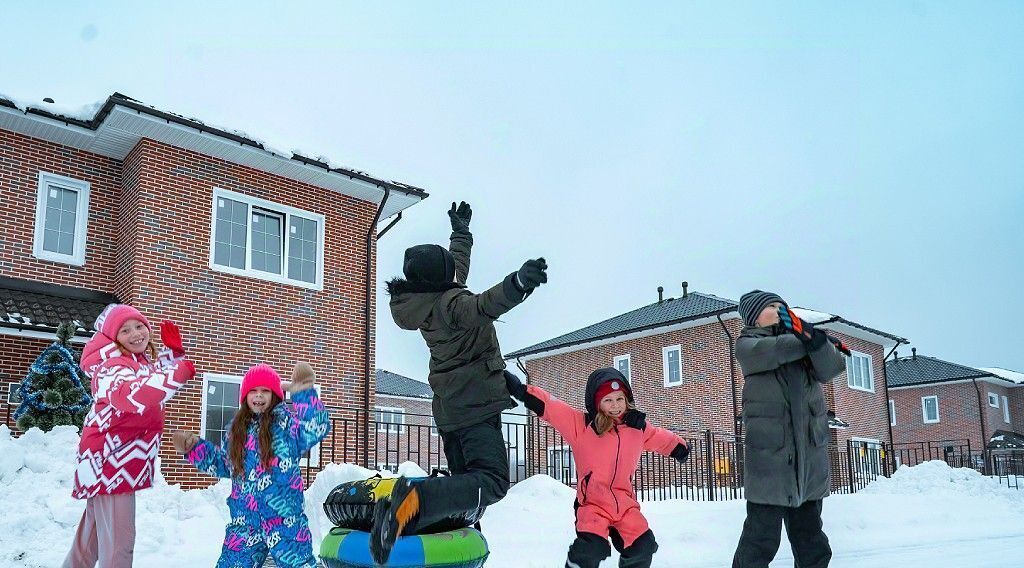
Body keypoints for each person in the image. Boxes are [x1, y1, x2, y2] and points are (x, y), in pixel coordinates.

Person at [371, 201, 548, 564]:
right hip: (474, 407)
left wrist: (461, 233)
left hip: (451, 409)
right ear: (442, 280)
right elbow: (484, 305)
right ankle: (415, 501)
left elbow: (456, 268)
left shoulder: (428, 302)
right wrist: (517, 284)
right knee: (493, 481)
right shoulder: (453, 305)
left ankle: (446, 548)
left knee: (467, 492)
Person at [506, 367, 690, 568]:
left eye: (619, 399)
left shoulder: (637, 428)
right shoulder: (583, 426)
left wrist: (680, 448)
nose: (615, 406)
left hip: (625, 505)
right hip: (592, 505)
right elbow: (552, 407)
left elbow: (660, 437)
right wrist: (521, 390)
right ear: (597, 402)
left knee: (643, 545)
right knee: (592, 549)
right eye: (608, 400)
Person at [64, 303, 196, 567]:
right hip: (110, 461)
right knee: (119, 544)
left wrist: (174, 356)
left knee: (92, 538)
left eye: (139, 326)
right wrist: (177, 376)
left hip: (112, 459)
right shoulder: (111, 367)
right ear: (113, 338)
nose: (136, 333)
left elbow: (152, 376)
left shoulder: (137, 363)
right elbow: (132, 395)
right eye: (125, 330)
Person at [173, 363, 330, 568]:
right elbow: (224, 464)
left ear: (275, 395)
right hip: (245, 522)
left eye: (265, 391)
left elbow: (316, 428)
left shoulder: (286, 427)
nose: (259, 396)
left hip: (285, 520)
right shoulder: (236, 432)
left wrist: (304, 393)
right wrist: (194, 448)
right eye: (253, 391)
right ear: (245, 396)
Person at [731, 290, 847, 568]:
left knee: (812, 542)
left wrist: (818, 344)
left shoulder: (803, 344)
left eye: (782, 305)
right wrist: (810, 340)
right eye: (771, 306)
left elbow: (832, 367)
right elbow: (776, 350)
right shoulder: (748, 344)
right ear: (754, 318)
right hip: (770, 462)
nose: (779, 309)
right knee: (759, 541)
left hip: (808, 461)